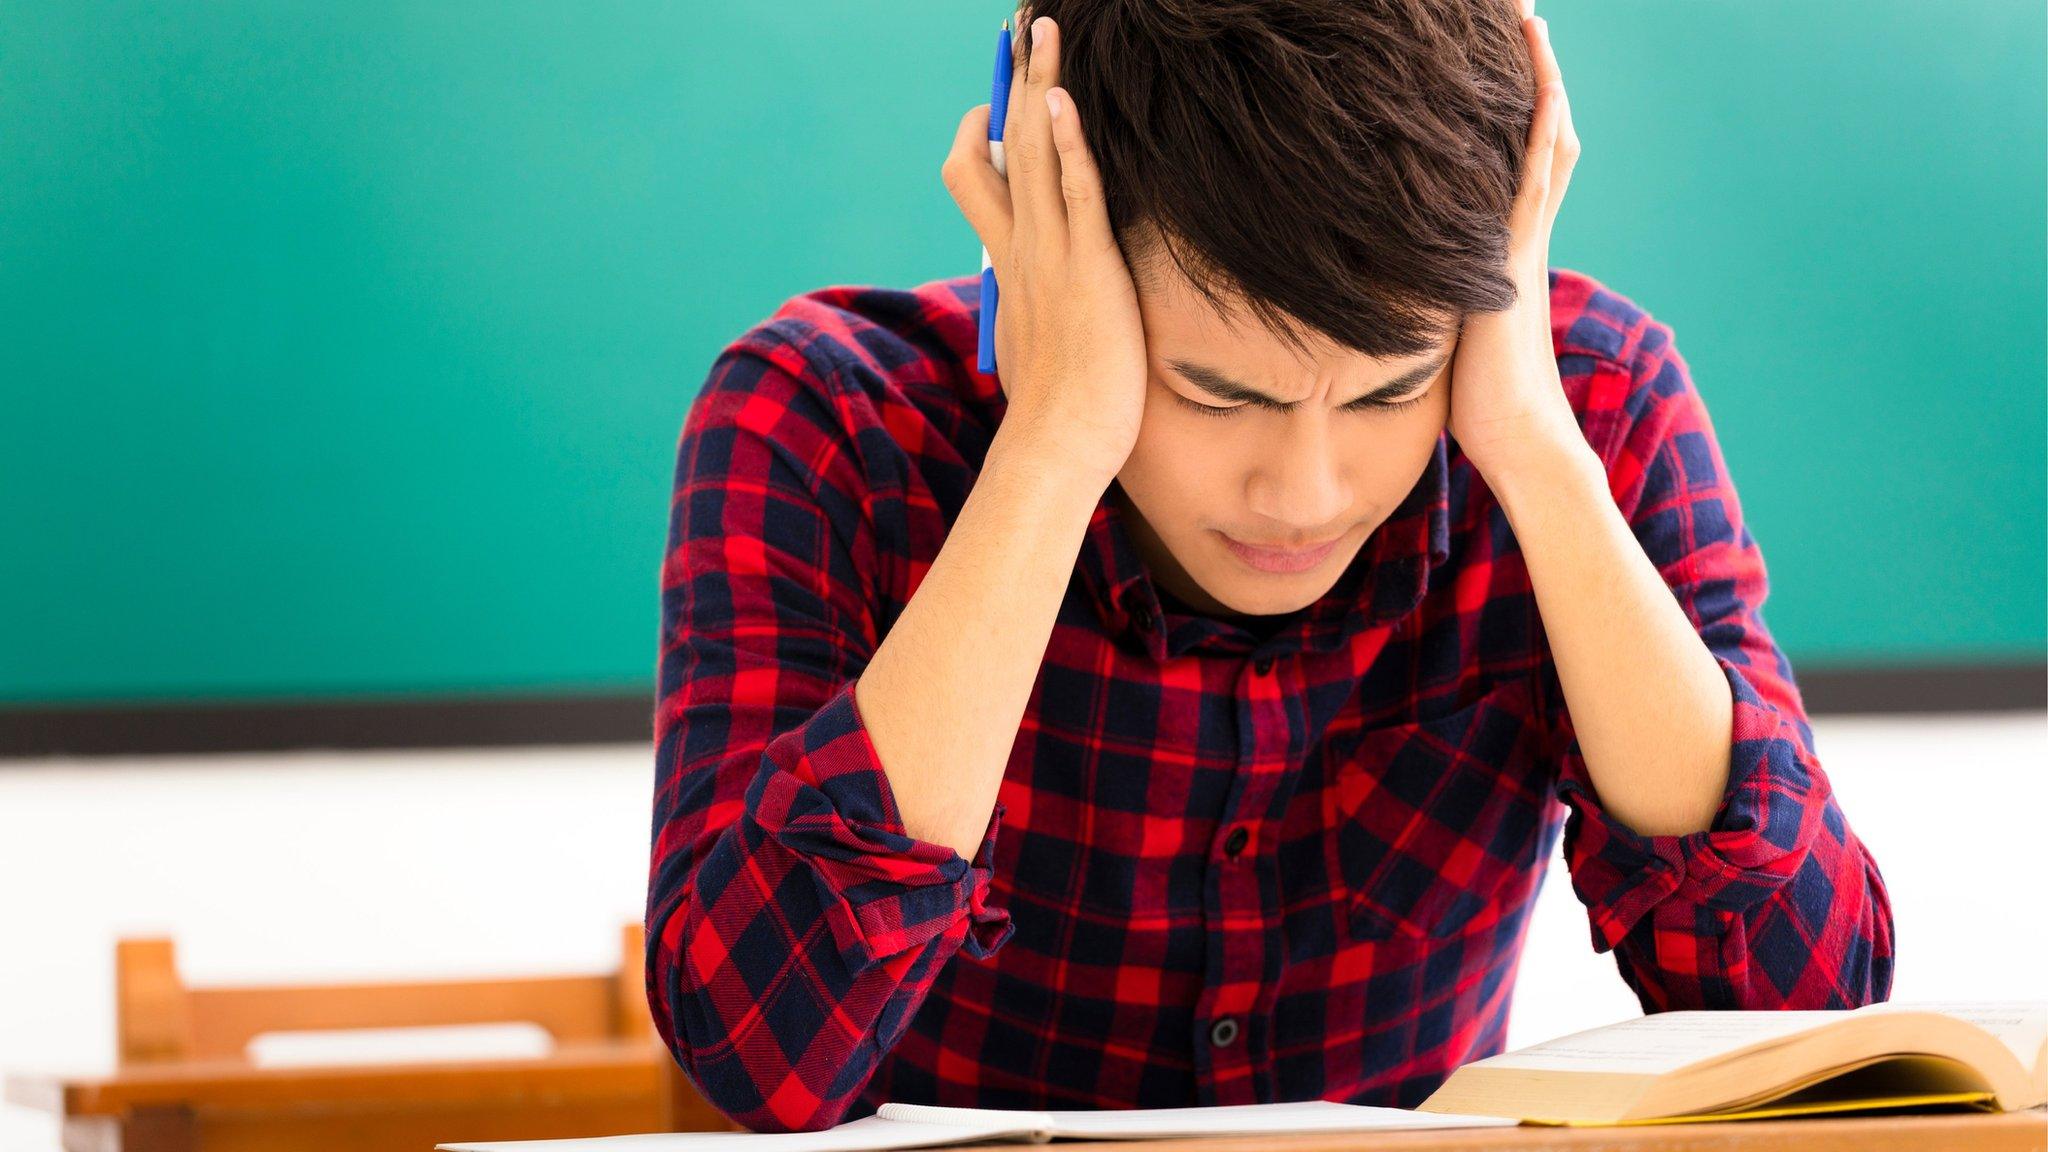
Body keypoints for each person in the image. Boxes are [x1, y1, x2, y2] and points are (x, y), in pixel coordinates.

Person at [644, 0, 1894, 1134]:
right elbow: (760, 1057)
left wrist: (1531, 453)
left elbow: (1796, 1000)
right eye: (1210, 394)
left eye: (1386, 393)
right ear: (1040, 237)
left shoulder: (1586, 407)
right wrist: (1055, 443)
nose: (1302, 496)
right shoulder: (826, 422)